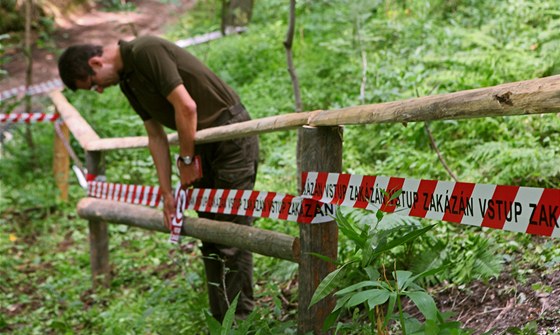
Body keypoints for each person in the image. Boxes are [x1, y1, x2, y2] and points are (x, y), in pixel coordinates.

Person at [58, 35, 259, 321]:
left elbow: (186, 107)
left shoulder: (145, 51)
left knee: (231, 234)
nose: (100, 90)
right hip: (199, 144)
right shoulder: (128, 81)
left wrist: (186, 160)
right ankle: (221, 321)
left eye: (94, 83)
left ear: (96, 62)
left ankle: (241, 321)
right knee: (211, 235)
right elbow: (156, 136)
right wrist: (167, 193)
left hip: (230, 137)